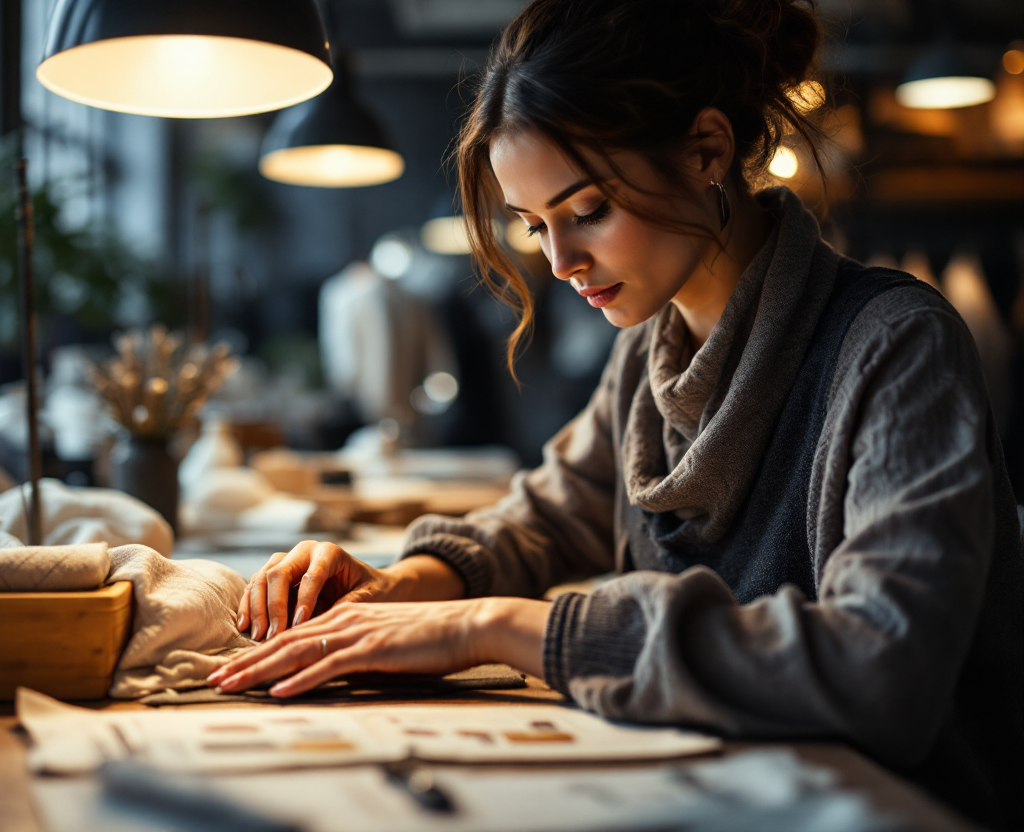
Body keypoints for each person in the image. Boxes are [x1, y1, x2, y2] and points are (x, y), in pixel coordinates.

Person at [207, 0, 1023, 827]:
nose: (561, 261)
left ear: (707, 150)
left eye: (588, 210)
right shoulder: (648, 348)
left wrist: (497, 627)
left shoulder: (894, 344)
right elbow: (551, 515)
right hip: (714, 787)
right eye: (535, 225)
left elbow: (881, 666)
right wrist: (400, 587)